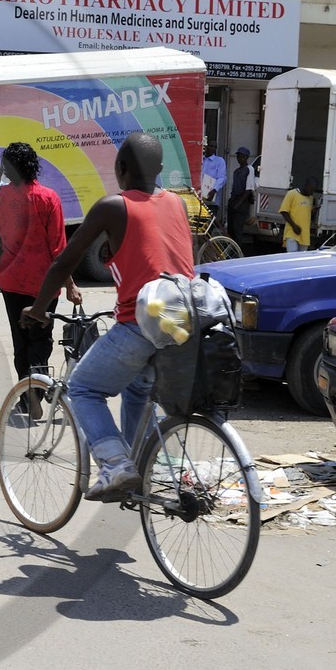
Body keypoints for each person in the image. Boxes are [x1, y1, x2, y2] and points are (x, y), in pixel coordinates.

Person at [21, 132, 195, 501]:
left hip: (141, 323)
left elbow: (63, 262)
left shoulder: (114, 206)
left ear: (120, 168)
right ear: (160, 169)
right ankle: (137, 474)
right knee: (137, 389)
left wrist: (38, 309)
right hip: (182, 323)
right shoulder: (178, 205)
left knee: (83, 388)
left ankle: (116, 465)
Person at [0, 142, 80, 390]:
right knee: (41, 337)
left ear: (7, 169)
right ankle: (38, 386)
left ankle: (25, 395)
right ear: (33, 166)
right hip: (44, 283)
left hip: (11, 281)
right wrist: (70, 284)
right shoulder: (48, 198)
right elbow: (58, 249)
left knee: (19, 338)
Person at [280, 176, 318, 252]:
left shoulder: (310, 198)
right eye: (311, 190)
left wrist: (314, 210)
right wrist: (294, 226)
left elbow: (304, 212)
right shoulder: (291, 194)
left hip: (304, 235)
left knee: (301, 260)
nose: (312, 193)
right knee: (292, 258)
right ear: (306, 186)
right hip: (292, 233)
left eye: (314, 191)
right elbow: (284, 211)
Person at [226, 147, 255, 246]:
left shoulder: (249, 169)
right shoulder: (236, 171)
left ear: (246, 157)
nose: (239, 158)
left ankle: (238, 252)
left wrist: (238, 204)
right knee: (231, 229)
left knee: (238, 229)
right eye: (238, 156)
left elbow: (248, 189)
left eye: (242, 156)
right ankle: (232, 250)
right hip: (233, 200)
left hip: (241, 202)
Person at [200, 140, 227, 216]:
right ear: (206, 146)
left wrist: (214, 190)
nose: (212, 148)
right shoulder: (201, 159)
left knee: (209, 223)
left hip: (212, 199)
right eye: (211, 146)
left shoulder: (219, 161)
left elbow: (222, 177)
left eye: (215, 147)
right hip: (199, 198)